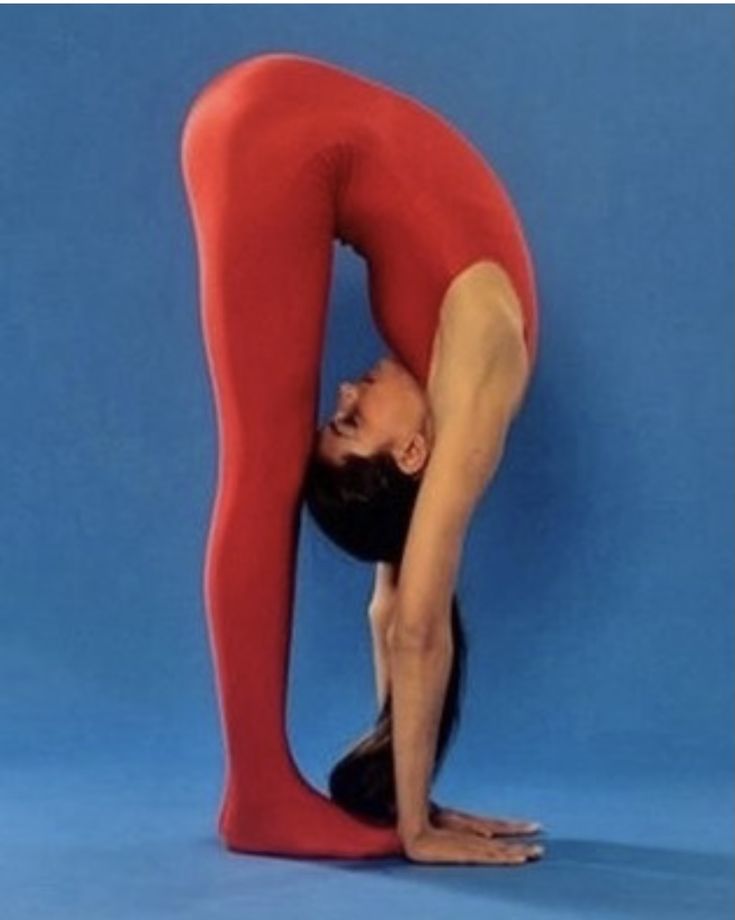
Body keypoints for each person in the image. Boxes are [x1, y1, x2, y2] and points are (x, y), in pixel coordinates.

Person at [181, 50, 544, 864]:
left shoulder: (434, 410)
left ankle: (267, 790)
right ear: (414, 451)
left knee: (261, 464)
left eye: (338, 417)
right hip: (268, 129)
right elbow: (417, 619)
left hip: (266, 121)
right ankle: (258, 795)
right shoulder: (483, 358)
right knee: (259, 468)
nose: (344, 390)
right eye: (350, 423)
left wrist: (407, 789)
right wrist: (415, 833)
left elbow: (393, 603)